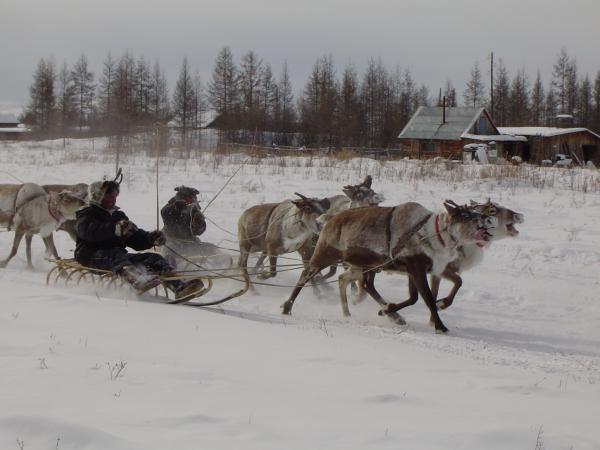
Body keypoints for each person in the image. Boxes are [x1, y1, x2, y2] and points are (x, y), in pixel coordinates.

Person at [74, 179, 204, 300]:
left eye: (115, 196)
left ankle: (179, 287)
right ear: (98, 196)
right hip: (90, 255)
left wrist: (150, 238)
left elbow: (135, 238)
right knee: (115, 255)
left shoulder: (118, 215)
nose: (113, 199)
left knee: (154, 258)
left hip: (119, 258)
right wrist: (114, 229)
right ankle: (137, 280)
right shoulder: (87, 213)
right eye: (109, 196)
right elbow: (88, 232)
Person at [160, 186, 233, 270]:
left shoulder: (194, 211)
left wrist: (199, 224)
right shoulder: (170, 207)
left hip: (190, 243)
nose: (192, 200)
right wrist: (174, 207)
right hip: (171, 242)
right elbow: (164, 212)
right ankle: (171, 273)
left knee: (210, 247)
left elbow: (199, 232)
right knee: (168, 252)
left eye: (193, 198)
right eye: (190, 198)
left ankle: (221, 267)